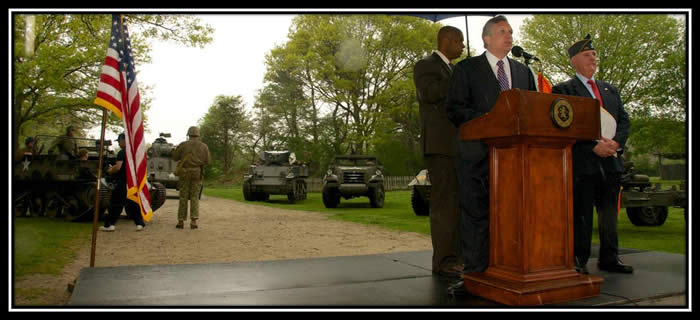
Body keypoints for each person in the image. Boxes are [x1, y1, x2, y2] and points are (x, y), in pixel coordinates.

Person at [446, 15, 536, 294]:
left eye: (510, 32)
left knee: (511, 216)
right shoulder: (466, 69)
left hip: (514, 160)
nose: (509, 36)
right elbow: (456, 110)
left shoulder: (523, 72)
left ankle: (509, 269)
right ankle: (474, 276)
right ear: (486, 38)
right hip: (477, 157)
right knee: (476, 217)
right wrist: (491, 121)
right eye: (501, 32)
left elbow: (533, 111)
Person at [551, 34, 632, 274]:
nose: (593, 59)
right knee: (582, 214)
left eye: (594, 55)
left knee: (609, 214)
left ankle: (609, 258)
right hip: (584, 163)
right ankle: (579, 259)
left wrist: (615, 145)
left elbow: (624, 121)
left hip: (611, 163)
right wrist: (592, 147)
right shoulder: (563, 90)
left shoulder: (610, 90)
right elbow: (562, 126)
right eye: (587, 55)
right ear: (574, 60)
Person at [412, 26, 465, 278]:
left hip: (459, 146)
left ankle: (459, 256)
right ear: (448, 41)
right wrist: (459, 79)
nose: (463, 47)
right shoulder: (426, 66)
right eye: (460, 42)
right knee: (444, 205)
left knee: (460, 204)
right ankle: (443, 261)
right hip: (440, 146)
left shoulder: (454, 70)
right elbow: (429, 94)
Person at [100, 133, 146, 232]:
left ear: (123, 140)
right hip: (132, 181)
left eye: (119, 141)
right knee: (133, 203)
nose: (119, 143)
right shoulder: (134, 152)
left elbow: (118, 167)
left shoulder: (122, 152)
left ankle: (110, 224)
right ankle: (139, 223)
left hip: (122, 181)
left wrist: (110, 170)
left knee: (115, 203)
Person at [172, 126, 210, 229]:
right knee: (194, 197)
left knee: (183, 196)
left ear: (188, 134)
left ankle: (180, 221)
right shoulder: (204, 146)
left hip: (184, 172)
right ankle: (193, 221)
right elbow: (207, 161)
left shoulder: (183, 145)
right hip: (197, 173)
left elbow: (175, 157)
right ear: (198, 134)